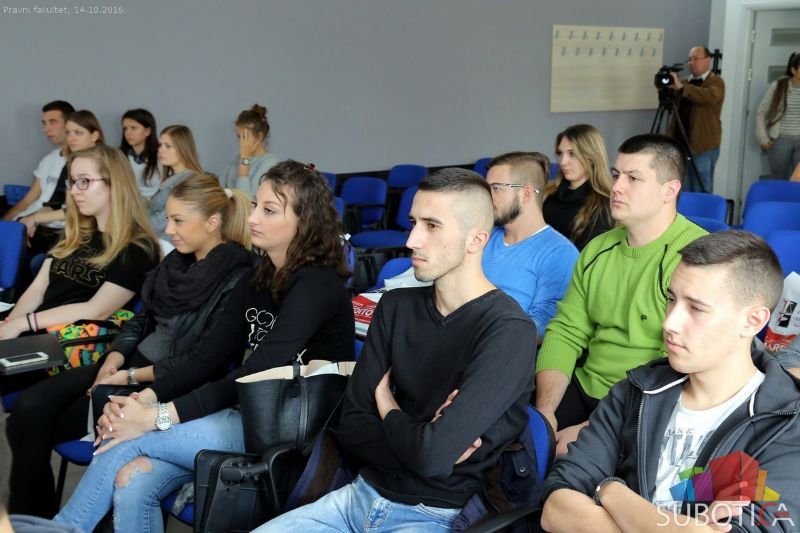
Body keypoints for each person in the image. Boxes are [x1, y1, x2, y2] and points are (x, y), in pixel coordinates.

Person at [55, 160, 355, 533]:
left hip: (291, 435)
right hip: (248, 416)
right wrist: (142, 400)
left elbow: (254, 373)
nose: (252, 218)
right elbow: (206, 360)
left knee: (128, 440)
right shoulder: (258, 277)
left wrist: (154, 417)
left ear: (304, 222)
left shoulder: (316, 286)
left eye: (269, 210)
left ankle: (62, 529)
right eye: (256, 206)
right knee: (132, 480)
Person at [255, 168, 538, 531]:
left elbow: (433, 456)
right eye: (414, 222)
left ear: (475, 240)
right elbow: (353, 428)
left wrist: (387, 407)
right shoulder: (395, 306)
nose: (412, 240)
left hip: (433, 512)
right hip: (356, 495)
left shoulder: (508, 331)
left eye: (432, 226)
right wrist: (423, 441)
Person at [5, 174, 253, 517]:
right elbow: (141, 320)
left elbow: (201, 362)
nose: (168, 229)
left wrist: (129, 376)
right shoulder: (178, 261)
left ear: (212, 223)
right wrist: (115, 358)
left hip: (165, 382)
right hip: (129, 363)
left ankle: (39, 520)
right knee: (27, 409)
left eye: (178, 220)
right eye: (169, 219)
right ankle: (35, 519)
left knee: (32, 423)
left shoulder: (238, 278)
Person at [541, 231, 800, 532]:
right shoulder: (638, 390)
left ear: (752, 321)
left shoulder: (784, 422)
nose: (669, 323)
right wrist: (683, 527)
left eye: (696, 308)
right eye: (671, 300)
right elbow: (556, 508)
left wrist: (609, 490)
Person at [535, 134, 707, 456]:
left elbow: (678, 366)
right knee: (521, 435)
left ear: (669, 190)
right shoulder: (598, 248)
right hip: (587, 385)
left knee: (566, 462)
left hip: (647, 402)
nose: (616, 187)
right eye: (616, 175)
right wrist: (545, 412)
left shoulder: (695, 258)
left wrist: (593, 429)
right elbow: (566, 331)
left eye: (633, 178)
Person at [0, 144, 159, 343]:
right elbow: (37, 290)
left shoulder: (138, 248)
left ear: (114, 184)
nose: (74, 191)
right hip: (32, 329)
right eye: (73, 182)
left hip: (64, 343)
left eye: (84, 181)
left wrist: (24, 323)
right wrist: (9, 324)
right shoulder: (76, 234)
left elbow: (96, 310)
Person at [484, 151, 579, 338]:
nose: (487, 197)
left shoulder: (559, 253)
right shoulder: (485, 236)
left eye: (496, 188)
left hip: (500, 347)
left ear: (526, 194)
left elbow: (540, 329)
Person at [18, 109, 105, 258]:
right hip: (66, 230)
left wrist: (35, 218)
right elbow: (55, 202)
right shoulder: (70, 164)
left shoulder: (105, 162)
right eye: (68, 132)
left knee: (37, 260)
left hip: (93, 233)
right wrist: (33, 221)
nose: (71, 138)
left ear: (94, 136)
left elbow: (80, 211)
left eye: (78, 133)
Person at [543, 124, 614, 250]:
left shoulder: (602, 205)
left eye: (572, 154)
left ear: (591, 157)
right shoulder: (547, 192)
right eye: (560, 153)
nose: (562, 162)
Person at [2, 100, 74, 223]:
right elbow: (27, 201)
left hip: (55, 225)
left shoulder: (84, 163)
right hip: (28, 220)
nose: (46, 129)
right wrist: (4, 224)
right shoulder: (49, 159)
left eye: (52, 122)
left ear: (69, 124)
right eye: (44, 123)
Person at [669, 46, 725, 193]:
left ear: (708, 60)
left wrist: (682, 88)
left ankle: (703, 209)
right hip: (680, 144)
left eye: (696, 59)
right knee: (682, 187)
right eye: (689, 59)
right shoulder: (685, 82)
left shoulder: (716, 82)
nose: (691, 63)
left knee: (701, 187)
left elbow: (708, 96)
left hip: (703, 146)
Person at [148, 125, 203, 239]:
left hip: (166, 242)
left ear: (183, 148)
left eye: (168, 146)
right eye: (160, 145)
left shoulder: (188, 180)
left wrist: (136, 228)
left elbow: (166, 219)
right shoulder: (174, 177)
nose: (160, 150)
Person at [756, 52, 800, 180]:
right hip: (780, 139)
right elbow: (761, 111)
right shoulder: (779, 85)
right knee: (778, 178)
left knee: (798, 179)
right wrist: (762, 137)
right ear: (793, 70)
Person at [222, 104, 279, 197]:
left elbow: (247, 199)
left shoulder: (270, 164)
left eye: (244, 137)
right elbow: (220, 191)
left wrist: (245, 159)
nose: (241, 142)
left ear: (259, 137)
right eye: (238, 136)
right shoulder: (236, 160)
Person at [120, 109, 160, 197]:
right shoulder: (119, 156)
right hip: (127, 202)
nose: (128, 133)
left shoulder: (161, 155)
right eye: (125, 129)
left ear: (147, 131)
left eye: (133, 128)